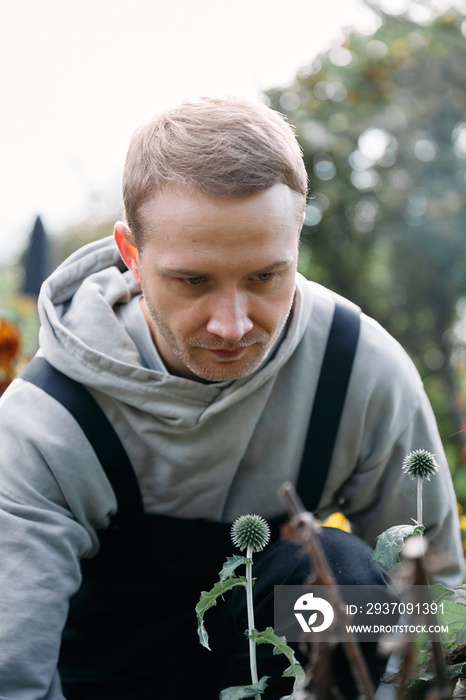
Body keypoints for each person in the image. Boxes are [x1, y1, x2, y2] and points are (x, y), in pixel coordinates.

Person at [0, 96, 462, 700]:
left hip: (283, 672)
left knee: (343, 580)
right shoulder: (46, 423)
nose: (232, 324)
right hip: (104, 681)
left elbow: (437, 602)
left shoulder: (358, 369)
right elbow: (15, 676)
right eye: (193, 280)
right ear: (132, 255)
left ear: (296, 243)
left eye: (265, 276)